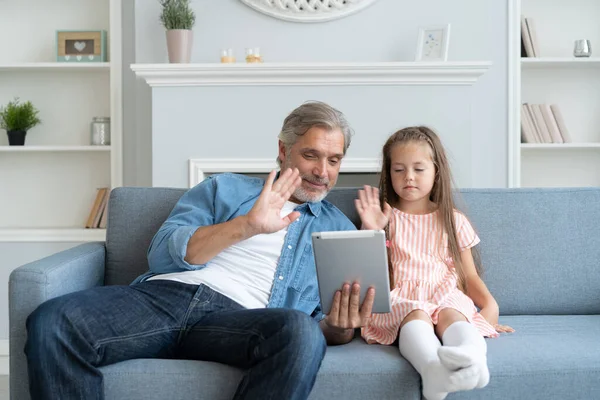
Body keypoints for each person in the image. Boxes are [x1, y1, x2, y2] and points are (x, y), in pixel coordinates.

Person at [24, 101, 375, 400]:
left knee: (300, 332)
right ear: (283, 150)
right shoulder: (224, 187)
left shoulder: (338, 229)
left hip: (241, 321)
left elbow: (320, 326)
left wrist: (340, 328)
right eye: (311, 155)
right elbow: (161, 252)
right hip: (165, 298)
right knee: (53, 320)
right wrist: (247, 225)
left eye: (334, 160)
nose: (322, 171)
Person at [354, 126, 514, 400]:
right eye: (399, 170)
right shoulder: (385, 218)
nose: (409, 177)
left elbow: (469, 276)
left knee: (454, 315)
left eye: (419, 169)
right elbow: (368, 275)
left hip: (444, 294)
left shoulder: (452, 219)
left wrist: (489, 304)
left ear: (436, 171)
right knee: (415, 314)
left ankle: (474, 360)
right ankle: (432, 370)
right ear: (388, 173)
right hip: (402, 298)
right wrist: (372, 230)